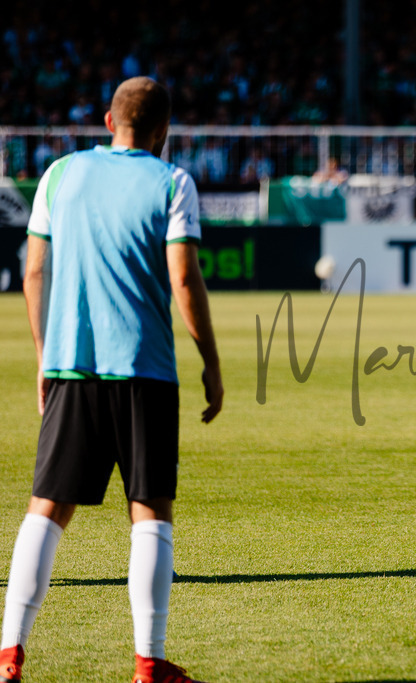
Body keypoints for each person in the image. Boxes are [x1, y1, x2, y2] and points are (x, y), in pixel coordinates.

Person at [0, 76, 223, 683]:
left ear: (107, 121)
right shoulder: (172, 181)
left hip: (72, 365)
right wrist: (211, 361)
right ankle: (149, 661)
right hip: (145, 369)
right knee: (149, 512)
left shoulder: (59, 176)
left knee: (46, 509)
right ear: (163, 132)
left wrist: (48, 357)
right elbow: (184, 280)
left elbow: (33, 272)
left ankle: (9, 655)